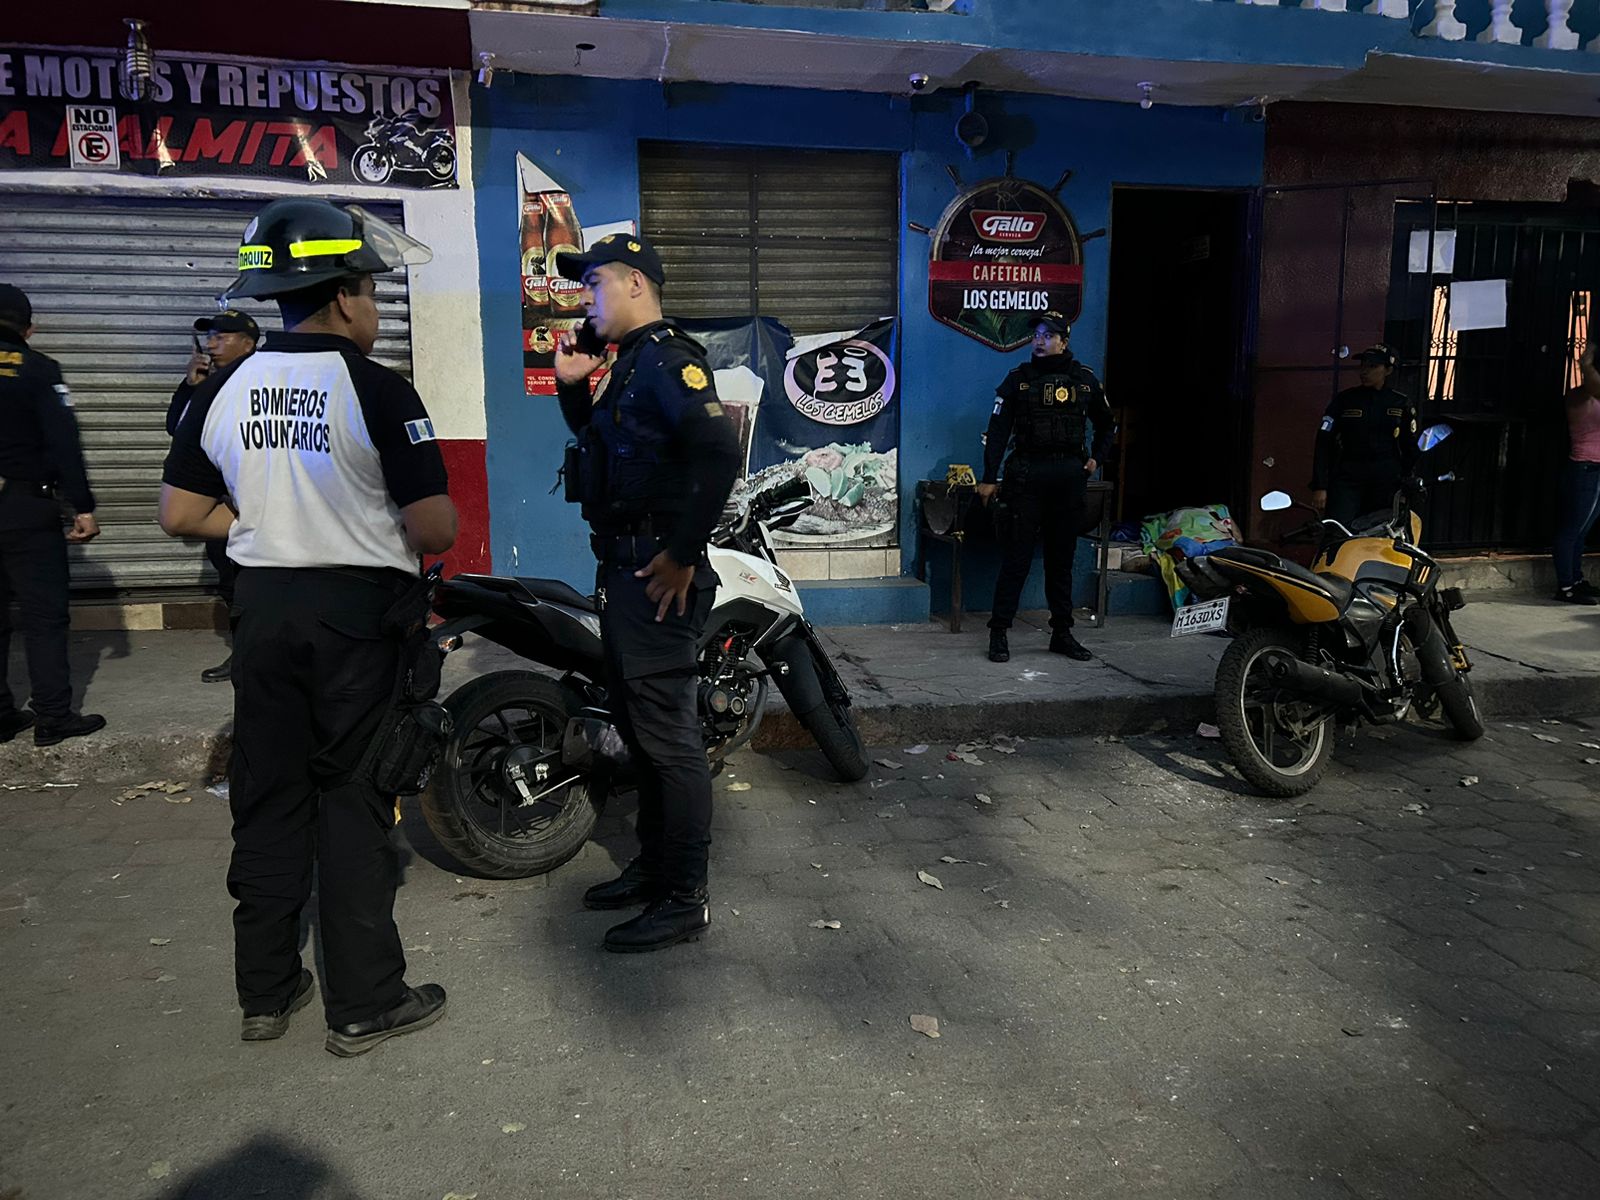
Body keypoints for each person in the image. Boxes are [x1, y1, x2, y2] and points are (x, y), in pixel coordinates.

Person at [159, 199, 457, 1054]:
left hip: (261, 616)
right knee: (355, 802)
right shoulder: (377, 386)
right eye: (371, 291)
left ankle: (267, 992)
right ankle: (365, 1003)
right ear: (346, 295)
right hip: (355, 623)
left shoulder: (222, 385)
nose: (374, 307)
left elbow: (179, 512)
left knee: (268, 800)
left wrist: (260, 525)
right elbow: (433, 528)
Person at [551, 233, 741, 953]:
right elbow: (605, 452)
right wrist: (573, 387)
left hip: (656, 579)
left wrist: (683, 555)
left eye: (594, 283)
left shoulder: (667, 361)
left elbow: (718, 451)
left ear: (635, 284)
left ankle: (684, 897)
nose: (585, 297)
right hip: (626, 572)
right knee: (643, 733)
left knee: (670, 741)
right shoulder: (627, 366)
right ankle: (655, 869)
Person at [0, 282, 106, 748]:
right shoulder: (39, 370)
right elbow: (64, 443)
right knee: (44, 616)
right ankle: (53, 717)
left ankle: (0, 716)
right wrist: (83, 506)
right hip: (26, 509)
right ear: (29, 328)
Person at [977, 311, 1113, 664]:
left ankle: (1062, 633)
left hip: (1068, 479)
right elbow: (997, 432)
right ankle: (999, 632)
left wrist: (1096, 459)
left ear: (1063, 341)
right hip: (1027, 477)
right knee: (1017, 559)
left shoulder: (1084, 381)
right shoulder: (1017, 381)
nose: (1039, 340)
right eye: (1036, 334)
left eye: (1047, 334)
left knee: (1061, 560)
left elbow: (1107, 425)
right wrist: (989, 478)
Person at [168, 309, 260, 682]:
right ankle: (244, 658)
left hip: (256, 504)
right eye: (210, 337)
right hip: (219, 507)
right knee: (231, 584)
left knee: (261, 586)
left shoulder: (263, 380)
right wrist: (191, 386)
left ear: (249, 344)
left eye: (222, 337)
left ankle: (266, 658)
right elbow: (177, 427)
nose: (211, 344)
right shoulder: (207, 384)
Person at [1309, 344, 1419, 531]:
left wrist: (1408, 481)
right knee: (1338, 530)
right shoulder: (1345, 400)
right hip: (1349, 476)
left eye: (1373, 367)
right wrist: (1320, 485)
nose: (1365, 372)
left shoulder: (1400, 403)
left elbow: (1409, 446)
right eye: (1363, 366)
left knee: (1381, 531)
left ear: (1388, 370)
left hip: (1385, 478)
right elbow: (1324, 442)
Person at [1553, 345, 1600, 605]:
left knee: (1581, 531)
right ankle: (1566, 586)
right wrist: (1587, 363)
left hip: (1591, 470)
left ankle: (1576, 578)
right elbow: (1594, 386)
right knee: (1571, 530)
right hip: (1586, 468)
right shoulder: (1580, 397)